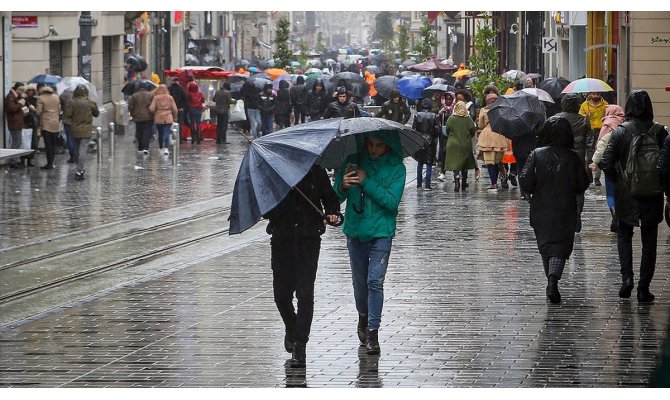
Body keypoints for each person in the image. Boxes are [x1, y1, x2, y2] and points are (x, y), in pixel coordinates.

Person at [333, 132, 406, 355]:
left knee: (375, 281)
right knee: (359, 282)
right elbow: (335, 198)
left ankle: (373, 332)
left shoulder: (396, 168)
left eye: (379, 145)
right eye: (370, 144)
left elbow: (392, 203)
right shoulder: (353, 161)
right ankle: (363, 316)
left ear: (388, 145)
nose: (374, 150)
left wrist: (366, 182)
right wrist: (343, 186)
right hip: (355, 230)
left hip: (381, 231)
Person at [262, 165, 340, 368]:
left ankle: (300, 345)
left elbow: (330, 199)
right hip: (282, 239)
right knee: (281, 295)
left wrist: (332, 213)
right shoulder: (277, 173)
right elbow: (266, 208)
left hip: (308, 239)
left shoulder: (316, 171)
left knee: (305, 294)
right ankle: (292, 326)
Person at [600, 90, 668, 303]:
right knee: (650, 241)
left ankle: (626, 279)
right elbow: (666, 165)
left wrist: (618, 180)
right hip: (652, 193)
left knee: (624, 235)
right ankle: (643, 288)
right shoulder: (660, 132)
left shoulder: (620, 132)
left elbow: (606, 162)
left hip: (626, 193)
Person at [520, 116, 590, 303]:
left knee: (546, 246)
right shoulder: (573, 156)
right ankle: (553, 280)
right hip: (565, 208)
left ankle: (551, 280)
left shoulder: (537, 154)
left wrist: (533, 189)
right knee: (560, 247)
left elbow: (525, 180)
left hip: (541, 208)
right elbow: (583, 182)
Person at [555, 93, 592, 231]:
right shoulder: (583, 121)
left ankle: (563, 215)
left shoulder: (555, 119)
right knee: (578, 189)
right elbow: (590, 143)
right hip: (578, 158)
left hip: (559, 159)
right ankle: (576, 213)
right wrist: (590, 162)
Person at [590, 104, 625, 232]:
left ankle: (615, 215)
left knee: (611, 192)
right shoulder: (623, 123)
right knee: (622, 191)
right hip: (624, 165)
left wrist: (594, 161)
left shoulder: (609, 124)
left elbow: (602, 146)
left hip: (610, 165)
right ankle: (622, 214)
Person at [63, 84, 99, 181]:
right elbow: (97, 114)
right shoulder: (91, 102)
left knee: (77, 150)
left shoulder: (72, 102)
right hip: (86, 129)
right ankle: (80, 170)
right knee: (83, 150)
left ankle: (80, 168)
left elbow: (68, 114)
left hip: (75, 129)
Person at [477, 93, 510, 189]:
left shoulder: (483, 110)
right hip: (500, 135)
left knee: (489, 162)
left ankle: (494, 183)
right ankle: (502, 178)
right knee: (498, 161)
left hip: (487, 136)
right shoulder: (502, 109)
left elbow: (480, 125)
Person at [444, 101, 477, 192]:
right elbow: (473, 131)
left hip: (453, 144)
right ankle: (464, 184)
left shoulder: (451, 118)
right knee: (465, 164)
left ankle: (457, 180)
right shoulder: (468, 119)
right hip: (465, 144)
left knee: (455, 164)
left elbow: (447, 130)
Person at [579, 92, 608, 186]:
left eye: (597, 94)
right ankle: (589, 177)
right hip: (589, 131)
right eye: (594, 94)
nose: (596, 96)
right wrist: (586, 116)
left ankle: (597, 178)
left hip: (601, 131)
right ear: (590, 95)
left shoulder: (605, 104)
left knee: (599, 154)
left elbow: (608, 117)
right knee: (589, 156)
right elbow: (580, 118)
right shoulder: (585, 105)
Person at [413, 98, 441, 190]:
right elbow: (438, 130)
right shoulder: (434, 116)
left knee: (420, 163)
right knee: (429, 163)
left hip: (419, 140)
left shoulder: (417, 115)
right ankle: (428, 185)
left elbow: (413, 129)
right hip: (430, 141)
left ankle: (419, 184)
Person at [36, 85, 61, 169]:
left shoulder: (40, 98)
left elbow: (38, 111)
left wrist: (33, 109)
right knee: (53, 144)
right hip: (56, 123)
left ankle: (49, 163)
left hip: (46, 123)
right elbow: (59, 109)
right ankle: (52, 162)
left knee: (48, 144)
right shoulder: (56, 97)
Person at [149, 84, 178, 155]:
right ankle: (166, 148)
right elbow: (175, 109)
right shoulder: (170, 98)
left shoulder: (156, 98)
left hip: (158, 117)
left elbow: (151, 108)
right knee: (167, 132)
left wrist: (154, 113)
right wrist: (175, 117)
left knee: (160, 133)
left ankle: (161, 147)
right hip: (168, 117)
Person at [4, 82, 27, 169]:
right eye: (21, 89)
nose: (22, 91)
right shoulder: (10, 96)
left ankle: (14, 160)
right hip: (14, 123)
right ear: (16, 89)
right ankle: (13, 161)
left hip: (17, 122)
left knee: (17, 142)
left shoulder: (15, 96)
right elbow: (12, 108)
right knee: (16, 143)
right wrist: (20, 103)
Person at [128, 82, 155, 154]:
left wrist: (132, 114)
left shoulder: (134, 96)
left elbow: (130, 106)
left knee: (139, 131)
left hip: (137, 116)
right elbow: (153, 105)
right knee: (147, 131)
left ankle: (140, 147)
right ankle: (146, 147)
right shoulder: (151, 95)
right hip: (149, 116)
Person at [436, 91, 455, 182]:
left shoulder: (455, 109)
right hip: (443, 134)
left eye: (450, 99)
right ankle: (443, 172)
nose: (448, 101)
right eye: (447, 99)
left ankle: (456, 173)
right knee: (443, 152)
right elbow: (438, 121)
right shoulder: (442, 109)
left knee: (454, 153)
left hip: (453, 134)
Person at [168, 78, 189, 143]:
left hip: (171, 109)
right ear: (178, 82)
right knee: (179, 125)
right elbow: (186, 98)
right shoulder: (181, 88)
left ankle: (171, 139)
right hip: (180, 109)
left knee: (170, 124)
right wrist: (182, 107)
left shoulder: (169, 88)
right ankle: (179, 139)